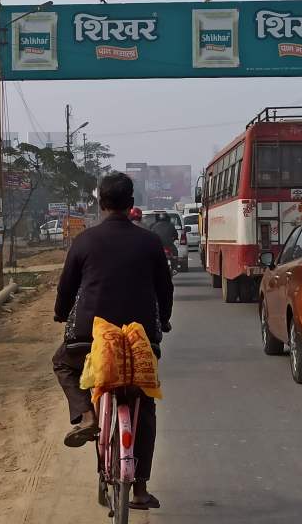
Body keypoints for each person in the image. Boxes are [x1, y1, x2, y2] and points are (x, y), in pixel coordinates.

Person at [53, 172, 174, 511]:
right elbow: (165, 290)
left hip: (88, 339)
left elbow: (67, 288)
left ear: (100, 203)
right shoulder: (149, 242)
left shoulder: (84, 241)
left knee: (62, 362)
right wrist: (163, 319)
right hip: (139, 341)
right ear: (131, 204)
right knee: (144, 402)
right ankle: (139, 489)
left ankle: (86, 415)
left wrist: (61, 313)